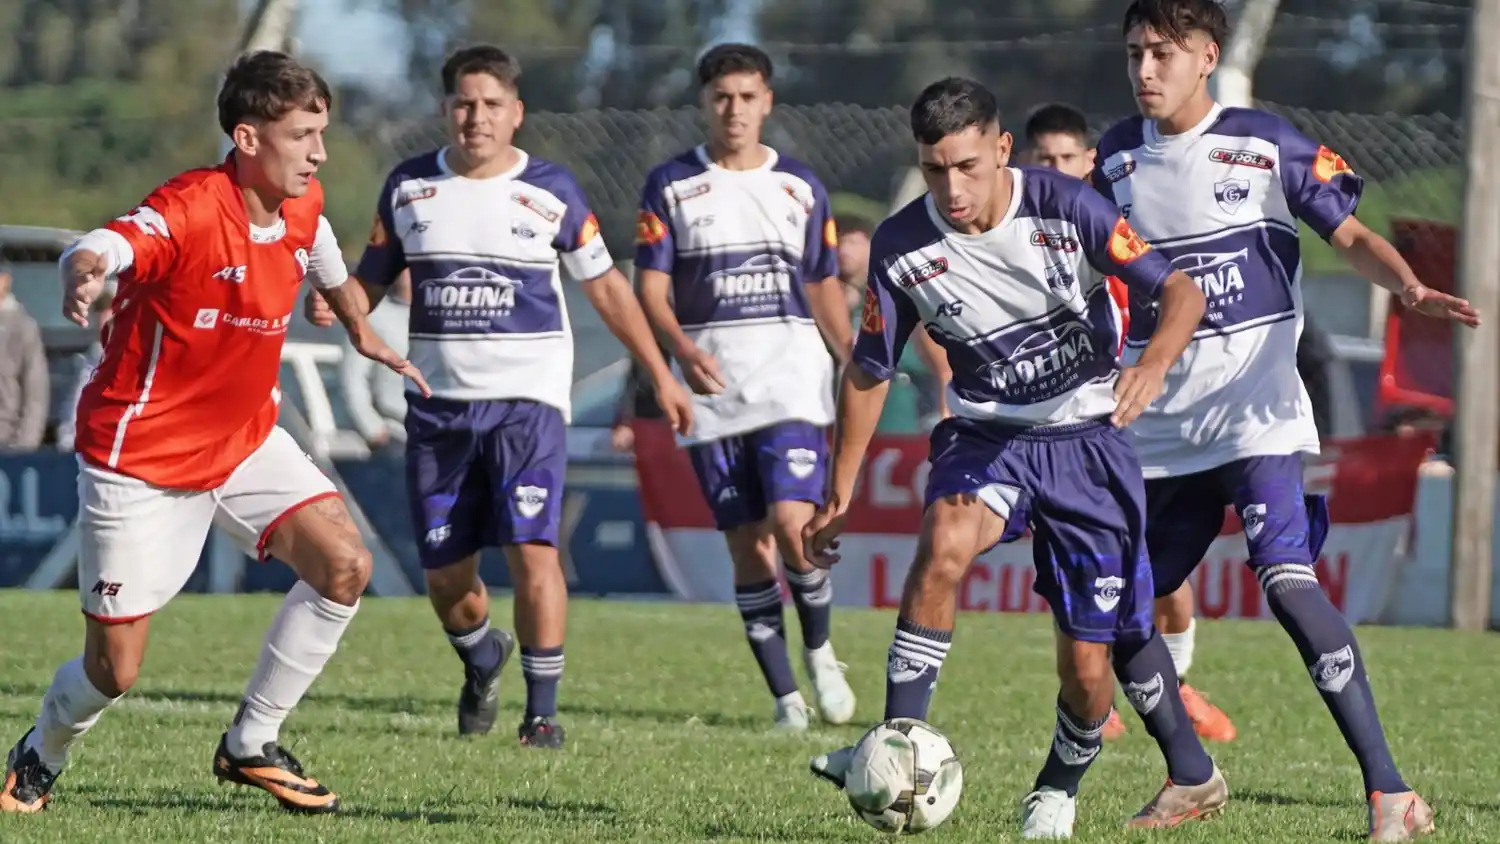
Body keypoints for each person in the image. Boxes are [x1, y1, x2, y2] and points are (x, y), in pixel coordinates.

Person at [1, 50, 423, 816]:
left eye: (321, 132)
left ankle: (250, 743)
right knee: (113, 672)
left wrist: (355, 319)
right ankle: (41, 749)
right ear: (249, 138)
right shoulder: (193, 206)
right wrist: (81, 265)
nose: (319, 152)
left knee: (343, 566)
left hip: (244, 439)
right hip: (142, 459)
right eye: (303, 135)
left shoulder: (301, 201)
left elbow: (320, 243)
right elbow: (113, 240)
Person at [1094, 1, 1480, 838]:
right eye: (1134, 53)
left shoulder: (1264, 141)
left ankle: (1391, 792)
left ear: (1206, 55)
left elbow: (1346, 234)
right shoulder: (1115, 157)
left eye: (1162, 52)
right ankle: (1191, 774)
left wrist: (1405, 285)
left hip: (1257, 419)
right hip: (1161, 434)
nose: (1145, 69)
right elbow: (1089, 271)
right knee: (1117, 609)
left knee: (1287, 582)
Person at [804, 76, 1226, 837]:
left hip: (1088, 443)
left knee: (1090, 668)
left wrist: (1154, 363)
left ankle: (1058, 787)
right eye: (935, 170)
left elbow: (1183, 293)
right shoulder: (903, 247)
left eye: (967, 166)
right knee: (944, 544)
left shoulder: (1071, 210)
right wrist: (840, 490)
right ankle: (900, 744)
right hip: (988, 435)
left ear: (1002, 149)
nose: (952, 187)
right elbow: (868, 371)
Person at [305, 44, 691, 748]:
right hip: (437, 408)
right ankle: (482, 656)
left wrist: (659, 375)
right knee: (448, 579)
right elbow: (369, 281)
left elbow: (606, 288)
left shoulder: (552, 191)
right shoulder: (410, 187)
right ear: (446, 110)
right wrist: (338, 304)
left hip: (526, 405)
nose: (475, 117)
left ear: (515, 114)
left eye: (490, 105)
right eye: (463, 103)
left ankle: (541, 713)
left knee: (532, 551)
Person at [634, 43, 857, 730]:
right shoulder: (671, 186)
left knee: (795, 528)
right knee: (747, 546)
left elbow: (821, 281)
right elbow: (651, 287)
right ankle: (785, 699)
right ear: (705, 103)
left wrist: (849, 350)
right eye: (721, 97)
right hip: (712, 393)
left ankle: (820, 651)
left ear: (767, 103)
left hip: (791, 385)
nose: (734, 109)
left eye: (746, 96)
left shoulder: (799, 186)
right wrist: (679, 350)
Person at [1024, 99, 1234, 745]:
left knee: (1159, 572)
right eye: (1043, 160)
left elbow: (1181, 302)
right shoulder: (1017, 241)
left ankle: (1176, 684)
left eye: (1067, 158)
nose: (1056, 170)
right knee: (1076, 567)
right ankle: (1093, 699)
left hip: (1143, 421)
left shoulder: (1121, 233)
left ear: (1090, 163)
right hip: (1067, 433)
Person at [339, 268, 412, 450]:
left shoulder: (441, 318)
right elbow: (353, 378)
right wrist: (372, 428)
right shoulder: (374, 315)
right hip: (395, 435)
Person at [0, 258, 49, 451]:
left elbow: (36, 394)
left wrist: (24, 447)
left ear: (6, 280)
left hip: (6, 444)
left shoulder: (23, 327)